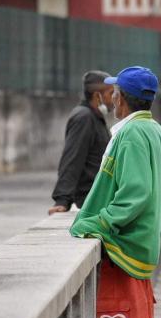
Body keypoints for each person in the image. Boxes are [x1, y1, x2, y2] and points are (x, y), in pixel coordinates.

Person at [70, 66, 161, 318]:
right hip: (140, 244)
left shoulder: (131, 134)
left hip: (125, 246)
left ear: (121, 98)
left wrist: (100, 222)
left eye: (114, 93)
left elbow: (135, 194)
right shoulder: (155, 130)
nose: (111, 99)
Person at [49, 70, 114, 215]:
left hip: (103, 195)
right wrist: (62, 200)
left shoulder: (95, 117)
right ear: (98, 96)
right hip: (93, 199)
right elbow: (72, 158)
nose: (114, 99)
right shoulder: (84, 118)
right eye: (110, 94)